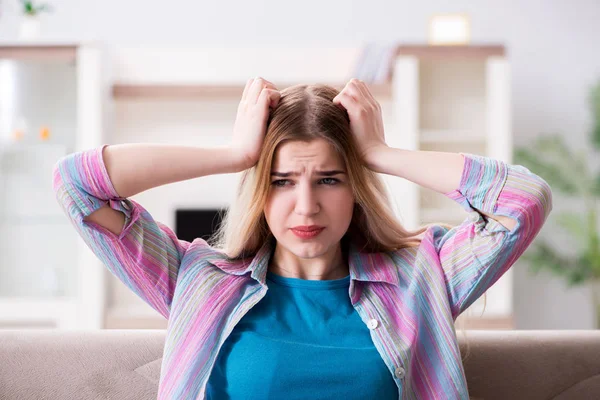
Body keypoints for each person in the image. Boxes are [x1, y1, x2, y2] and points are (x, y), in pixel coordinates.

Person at [52, 77, 553, 399]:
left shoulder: (421, 276)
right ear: (259, 191)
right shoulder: (199, 280)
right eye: (282, 181)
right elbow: (76, 185)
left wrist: (378, 151)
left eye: (330, 179)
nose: (307, 205)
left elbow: (524, 200)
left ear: (356, 187)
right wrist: (235, 155)